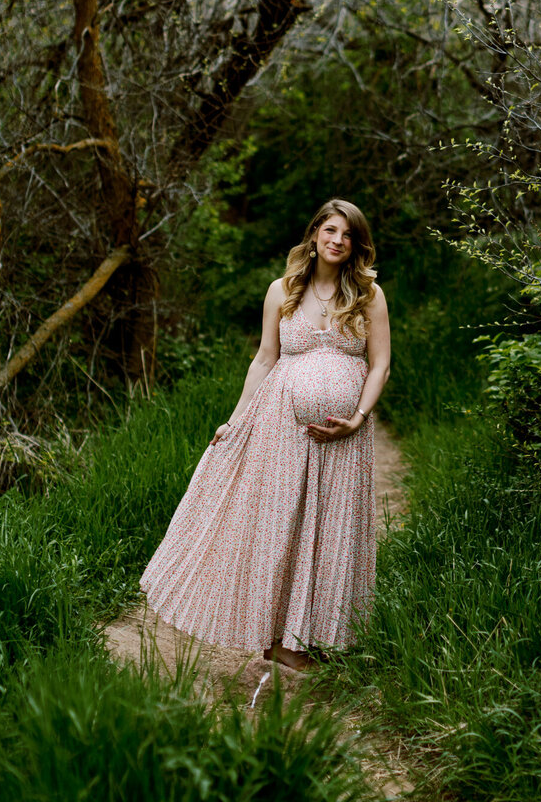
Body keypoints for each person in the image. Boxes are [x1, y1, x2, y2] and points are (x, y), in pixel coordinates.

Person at [140, 199, 391, 671]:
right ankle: (276, 637)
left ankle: (314, 637)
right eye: (331, 230)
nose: (338, 241)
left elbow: (380, 364)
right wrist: (234, 422)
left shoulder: (369, 294)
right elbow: (264, 359)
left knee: (332, 530)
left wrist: (357, 418)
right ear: (315, 234)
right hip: (280, 428)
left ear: (357, 244)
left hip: (345, 437)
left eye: (349, 235)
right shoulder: (282, 290)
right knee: (280, 524)